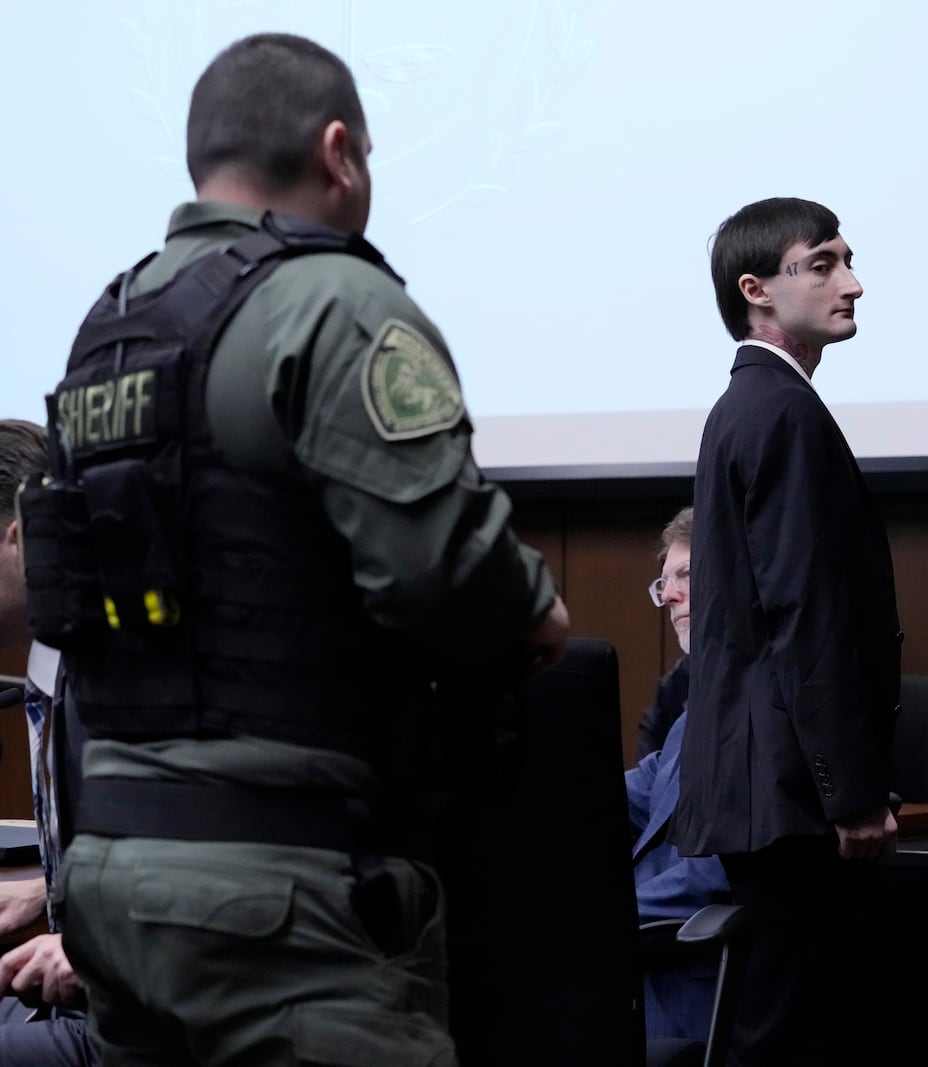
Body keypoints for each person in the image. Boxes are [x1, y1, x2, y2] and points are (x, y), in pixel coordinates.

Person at [21, 33, 568, 1065]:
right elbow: (444, 574)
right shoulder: (335, 303)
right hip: (282, 894)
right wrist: (536, 609)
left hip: (116, 882)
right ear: (339, 153)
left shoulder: (110, 328)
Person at [672, 197, 902, 1067]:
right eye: (825, 264)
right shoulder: (780, 411)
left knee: (785, 1025)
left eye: (848, 259)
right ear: (756, 289)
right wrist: (850, 792)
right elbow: (802, 617)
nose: (854, 283)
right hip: (790, 794)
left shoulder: (753, 404)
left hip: (768, 782)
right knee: (788, 1034)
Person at [0, 418, 95, 1066]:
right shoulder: (47, 670)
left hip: (130, 1018)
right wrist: (43, 889)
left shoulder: (111, 682)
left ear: (17, 541)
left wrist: (95, 947)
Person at [626, 506, 731, 1039]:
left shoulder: (762, 712)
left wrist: (582, 910)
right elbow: (622, 796)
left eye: (685, 577)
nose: (668, 596)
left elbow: (715, 875)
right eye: (662, 582)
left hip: (687, 984)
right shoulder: (696, 711)